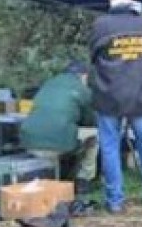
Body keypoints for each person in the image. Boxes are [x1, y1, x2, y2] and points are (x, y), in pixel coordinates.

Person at [89, 0, 142, 213]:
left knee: (110, 148)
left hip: (109, 95)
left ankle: (115, 201)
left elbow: (93, 56)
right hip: (141, 96)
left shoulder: (100, 25)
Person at [19, 60, 98, 195]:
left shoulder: (48, 83)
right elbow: (90, 120)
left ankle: (57, 178)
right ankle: (83, 180)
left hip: (29, 142)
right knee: (95, 135)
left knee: (59, 135)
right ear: (83, 76)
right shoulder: (81, 88)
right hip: (59, 144)